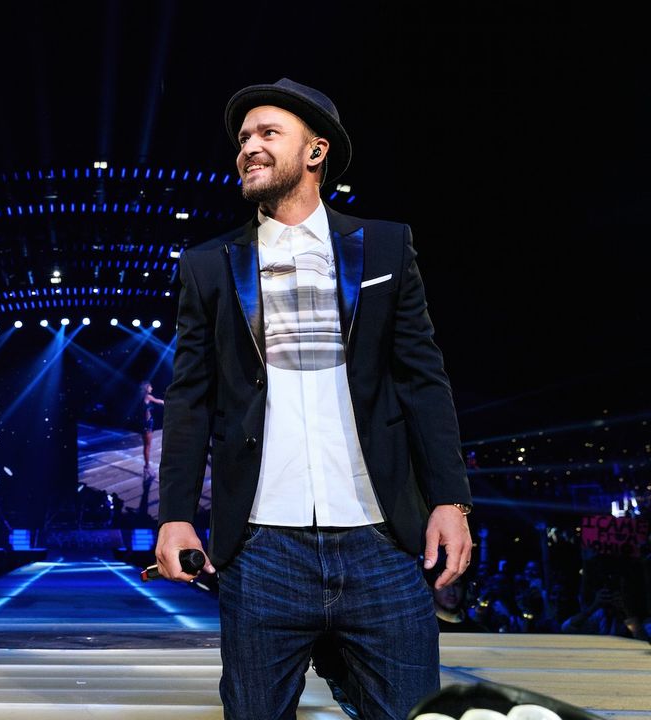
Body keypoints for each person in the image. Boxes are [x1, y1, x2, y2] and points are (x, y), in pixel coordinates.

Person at [155, 78, 472, 719]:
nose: (249, 147)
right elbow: (189, 399)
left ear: (316, 150)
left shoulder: (385, 245)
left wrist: (449, 497)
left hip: (380, 540)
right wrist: (175, 514)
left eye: (268, 133)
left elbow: (423, 380)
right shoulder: (210, 265)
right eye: (243, 138)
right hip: (261, 547)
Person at [138, 381, 164, 476]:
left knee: (147, 446)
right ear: (146, 388)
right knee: (147, 446)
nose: (152, 388)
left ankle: (146, 467)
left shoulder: (142, 397)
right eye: (150, 387)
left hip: (145, 424)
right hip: (147, 425)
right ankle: (147, 467)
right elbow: (159, 401)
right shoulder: (148, 397)